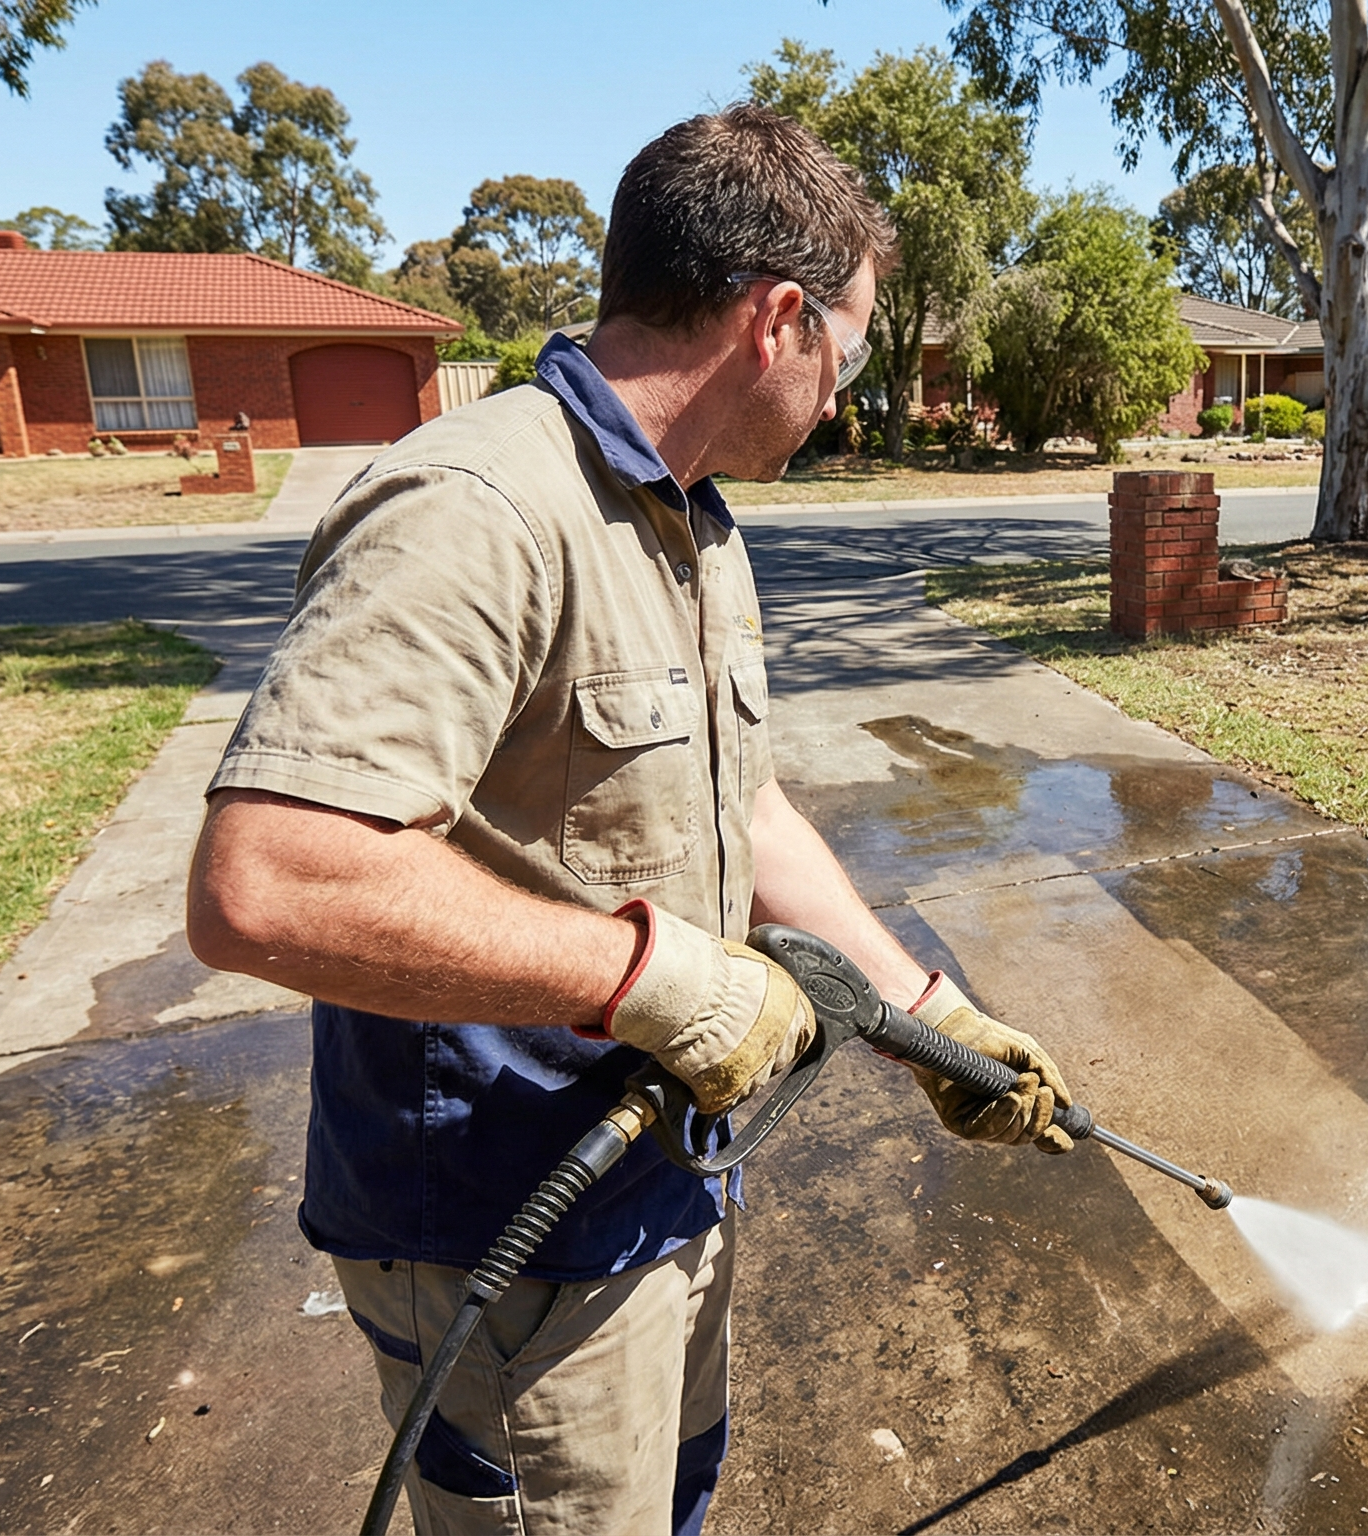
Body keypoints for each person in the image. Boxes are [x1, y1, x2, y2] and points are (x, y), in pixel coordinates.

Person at [184, 105, 1075, 1536]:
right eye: (849, 344)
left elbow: (745, 806)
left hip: (659, 1187)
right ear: (778, 319)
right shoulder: (476, 505)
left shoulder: (690, 521)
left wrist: (929, 1018)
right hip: (505, 1229)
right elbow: (270, 882)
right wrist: (656, 981)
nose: (847, 389)